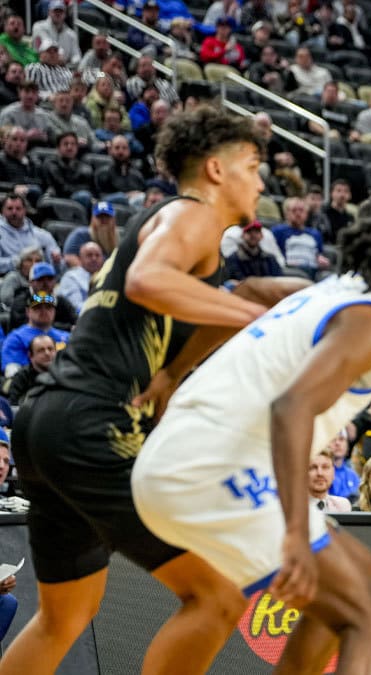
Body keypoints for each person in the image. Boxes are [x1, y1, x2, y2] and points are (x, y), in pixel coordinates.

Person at [2, 107, 289, 675]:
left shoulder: (191, 239)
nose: (262, 180)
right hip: (90, 423)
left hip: (49, 421)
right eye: (252, 165)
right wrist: (253, 319)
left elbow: (172, 310)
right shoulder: (191, 215)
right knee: (216, 598)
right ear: (215, 170)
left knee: (65, 616)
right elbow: (147, 282)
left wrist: (170, 374)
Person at [132, 191, 371, 673]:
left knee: (359, 576)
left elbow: (248, 290)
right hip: (212, 469)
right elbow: (292, 406)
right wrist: (296, 530)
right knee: (370, 617)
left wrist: (174, 373)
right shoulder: (370, 321)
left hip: (171, 458)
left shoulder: (320, 290)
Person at [308, 448, 351, 513]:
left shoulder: (343, 506)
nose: (320, 473)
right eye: (313, 467)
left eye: (325, 467)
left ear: (333, 472)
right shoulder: (291, 507)